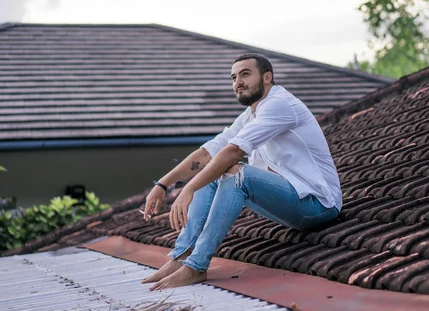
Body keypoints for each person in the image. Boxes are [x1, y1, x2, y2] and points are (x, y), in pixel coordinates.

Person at [141, 53, 342, 291]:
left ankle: (196, 266)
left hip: (319, 205)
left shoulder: (279, 104)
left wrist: (189, 188)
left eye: (245, 74)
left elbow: (234, 152)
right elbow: (208, 154)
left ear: (267, 78)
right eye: (234, 77)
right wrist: (162, 185)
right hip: (292, 202)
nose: (238, 82)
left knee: (236, 173)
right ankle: (180, 256)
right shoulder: (251, 115)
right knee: (214, 170)